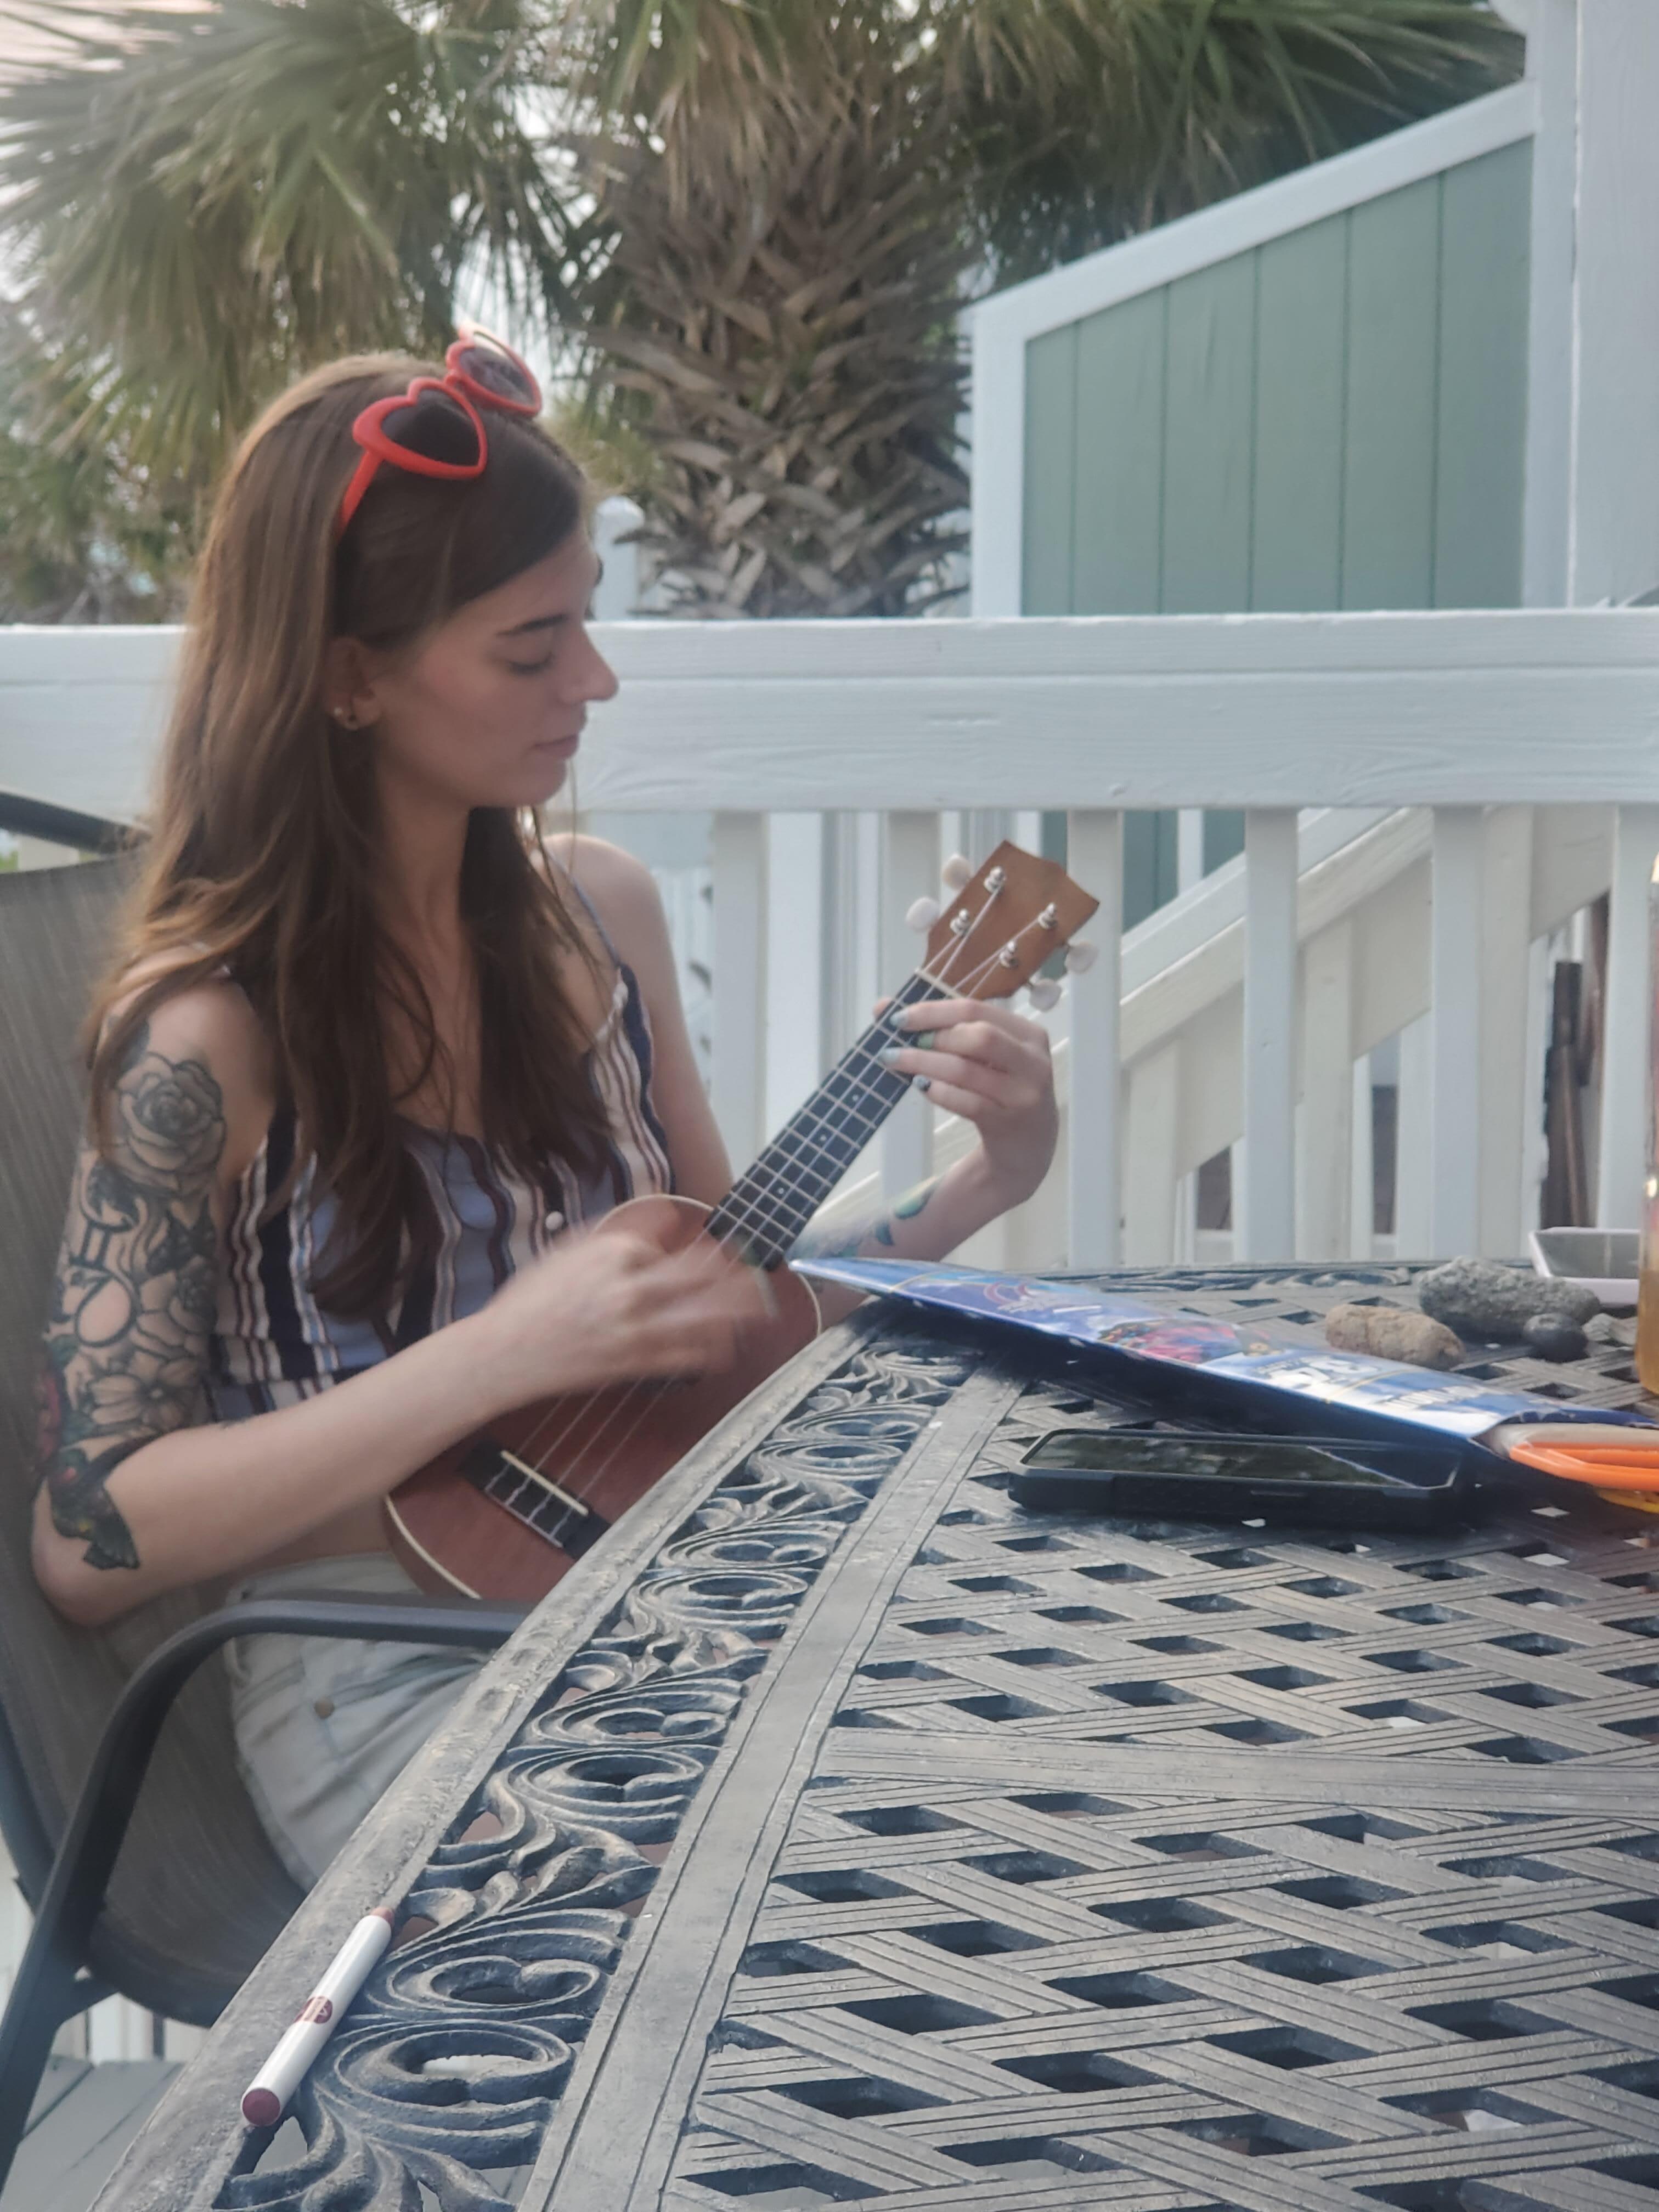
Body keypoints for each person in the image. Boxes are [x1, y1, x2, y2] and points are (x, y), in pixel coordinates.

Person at [32, 332, 1060, 1887]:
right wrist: (504, 1353)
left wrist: (989, 1177)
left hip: (672, 1594)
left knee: (1026, 1797)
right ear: (348, 677)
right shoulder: (206, 1042)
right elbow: (87, 1538)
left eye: (588, 623)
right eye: (533, 649)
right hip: (385, 1668)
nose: (596, 681)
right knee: (782, 1915)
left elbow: (737, 1314)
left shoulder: (603, 920)